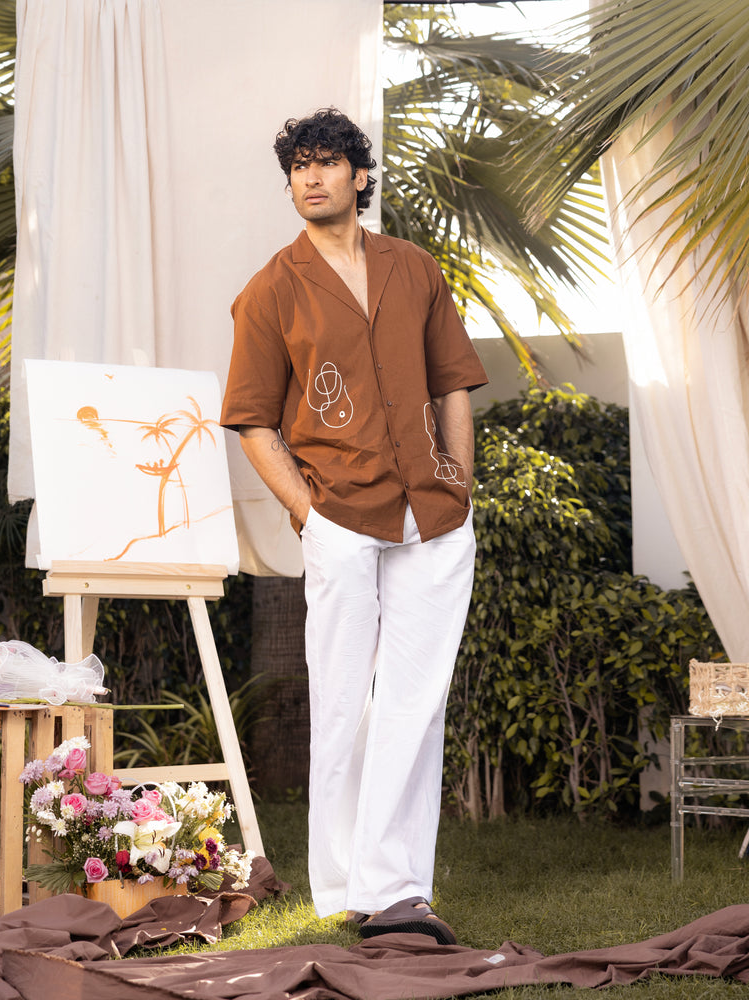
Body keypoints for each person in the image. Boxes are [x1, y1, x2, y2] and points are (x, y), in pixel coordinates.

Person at [220, 108, 488, 944]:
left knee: (417, 702)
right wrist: (309, 514)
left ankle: (399, 887)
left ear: (360, 176)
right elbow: (253, 420)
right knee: (342, 699)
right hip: (341, 514)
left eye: (326, 162)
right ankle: (345, 886)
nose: (309, 178)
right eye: (297, 167)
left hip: (434, 517)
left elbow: (452, 384)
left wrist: (461, 482)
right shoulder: (272, 288)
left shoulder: (415, 269)